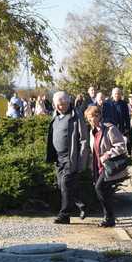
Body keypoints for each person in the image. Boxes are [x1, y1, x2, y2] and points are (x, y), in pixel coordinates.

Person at [46, 91, 88, 225]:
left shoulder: (76, 116)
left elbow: (84, 140)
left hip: (71, 157)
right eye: (57, 105)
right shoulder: (55, 116)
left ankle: (64, 215)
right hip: (58, 158)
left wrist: (82, 161)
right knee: (62, 185)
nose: (60, 107)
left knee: (65, 184)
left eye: (63, 104)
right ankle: (81, 204)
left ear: (68, 102)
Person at [85, 105, 126, 227]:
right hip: (97, 166)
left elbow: (121, 146)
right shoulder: (93, 132)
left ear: (99, 116)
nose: (92, 119)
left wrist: (108, 154)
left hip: (108, 166)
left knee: (99, 188)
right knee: (105, 191)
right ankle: (110, 218)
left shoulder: (110, 129)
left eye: (94, 116)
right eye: (89, 117)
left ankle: (108, 217)